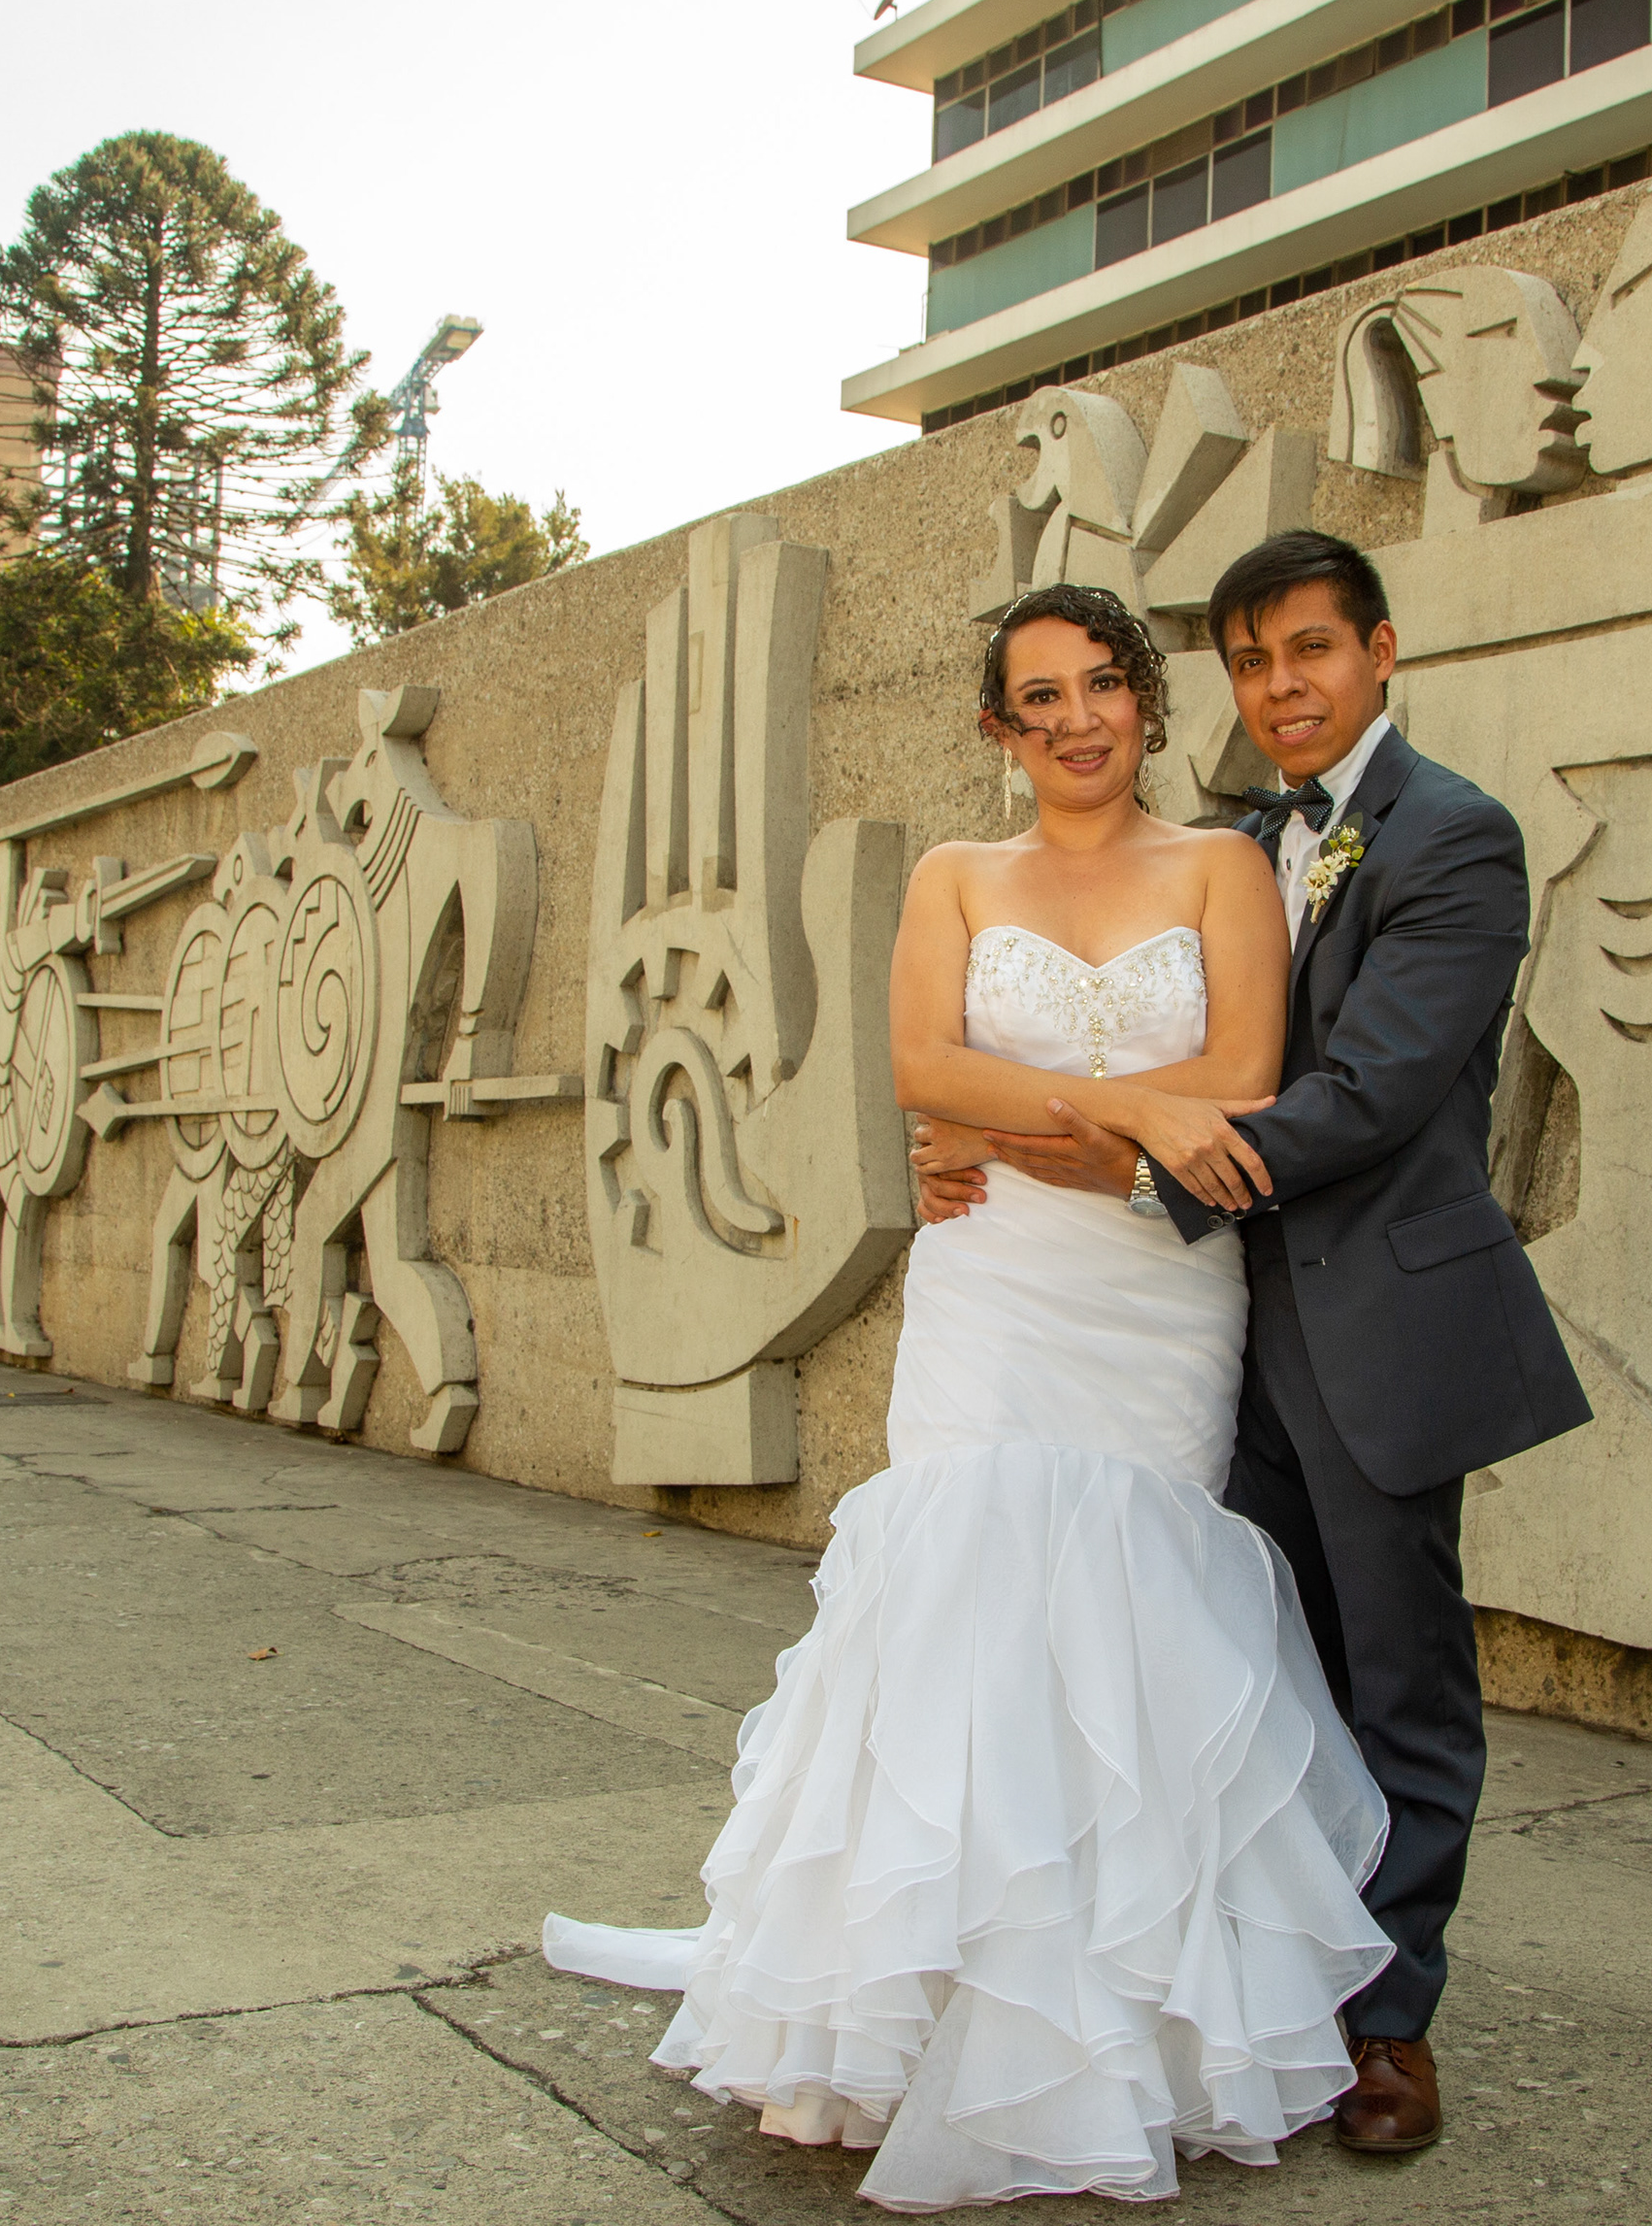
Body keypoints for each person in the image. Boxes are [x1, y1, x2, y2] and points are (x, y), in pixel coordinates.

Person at [545, 582, 1394, 2210]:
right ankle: (912, 2006)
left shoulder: (1222, 868)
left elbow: (1240, 1092)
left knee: (1124, 1613)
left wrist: (1013, 1129)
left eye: (1102, 685)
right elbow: (921, 1070)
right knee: (960, 1597)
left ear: (1144, 702)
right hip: (993, 1286)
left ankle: (1109, 2024)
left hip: (1153, 1299)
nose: (1076, 719)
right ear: (999, 727)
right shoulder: (953, 875)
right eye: (1039, 697)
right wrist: (1106, 1114)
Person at [916, 530, 1590, 2157]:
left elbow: (1367, 1093)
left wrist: (1093, 1154)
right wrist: (984, 1136)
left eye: (1313, 650)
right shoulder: (1236, 837)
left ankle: (1392, 2023)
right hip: (1220, 1322)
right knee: (1234, 1680)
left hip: (1369, 1317)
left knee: (1397, 1676)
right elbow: (1084, 1034)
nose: (1283, 686)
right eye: (1254, 660)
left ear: (1381, 651)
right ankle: (1257, 1984)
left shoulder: (1455, 835)